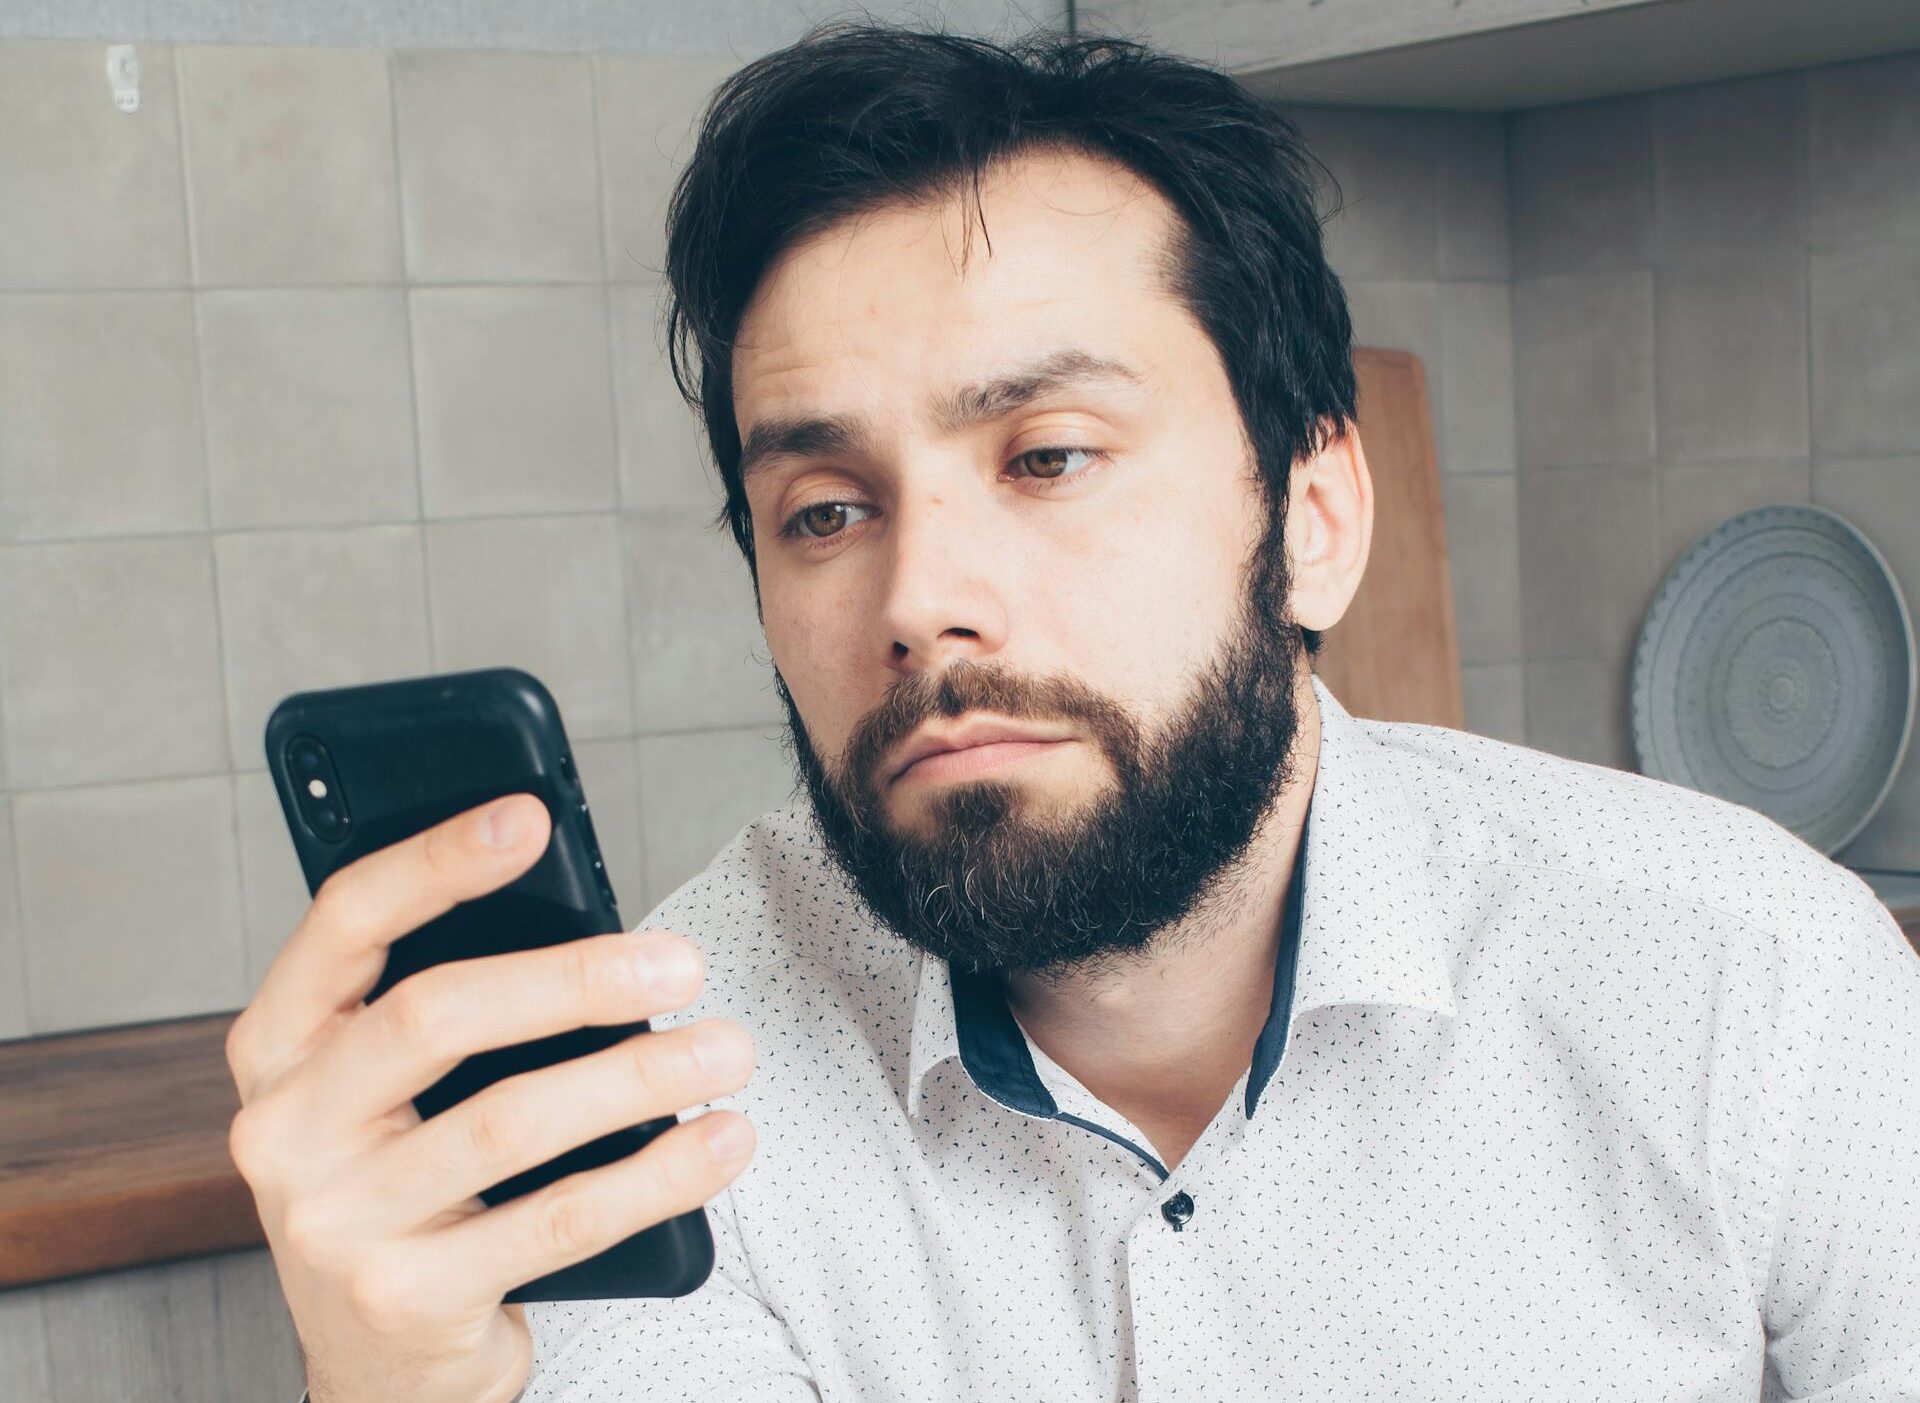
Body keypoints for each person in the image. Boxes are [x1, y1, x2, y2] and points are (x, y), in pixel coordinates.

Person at [226, 20, 1920, 1403]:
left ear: (1315, 518)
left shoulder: (1751, 979)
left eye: (1047, 457)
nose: (915, 598)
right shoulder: (658, 1108)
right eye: (825, 509)